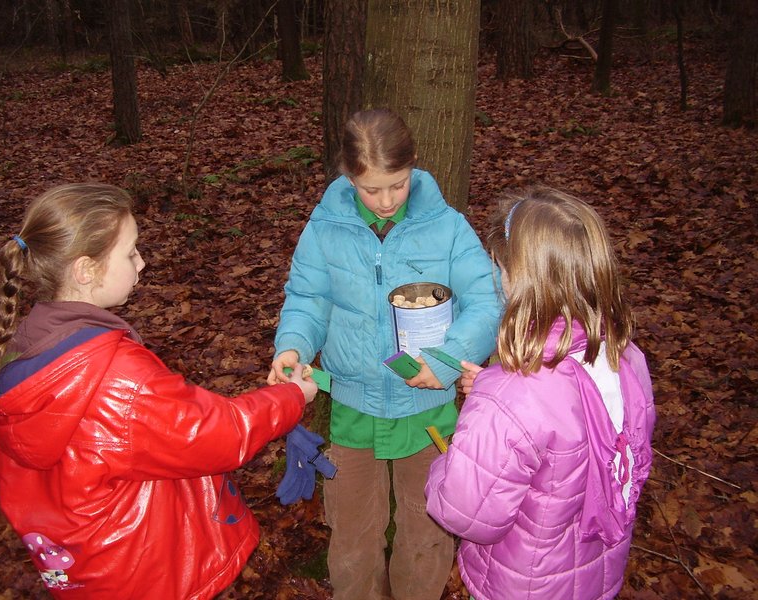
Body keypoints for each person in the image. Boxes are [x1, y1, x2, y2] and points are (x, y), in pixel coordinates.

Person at [0, 183, 318, 599]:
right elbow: (217, 432)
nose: (142, 261)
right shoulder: (115, 374)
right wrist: (293, 396)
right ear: (86, 271)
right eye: (130, 253)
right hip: (147, 569)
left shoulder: (28, 345)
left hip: (84, 566)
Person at [266, 108, 503, 600]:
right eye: (371, 189)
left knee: (426, 531)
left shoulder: (448, 228)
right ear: (348, 176)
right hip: (354, 406)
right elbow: (309, 298)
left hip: (428, 411)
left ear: (413, 165)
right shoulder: (326, 228)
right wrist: (293, 345)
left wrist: (446, 361)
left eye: (397, 184)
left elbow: (486, 301)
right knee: (353, 535)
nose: (387, 200)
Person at [425, 187, 656, 600]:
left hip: (525, 584)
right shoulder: (626, 357)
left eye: (500, 268)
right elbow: (575, 429)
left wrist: (449, 462)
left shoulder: (511, 396)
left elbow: (465, 512)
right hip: (594, 575)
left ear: (518, 278)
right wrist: (494, 397)